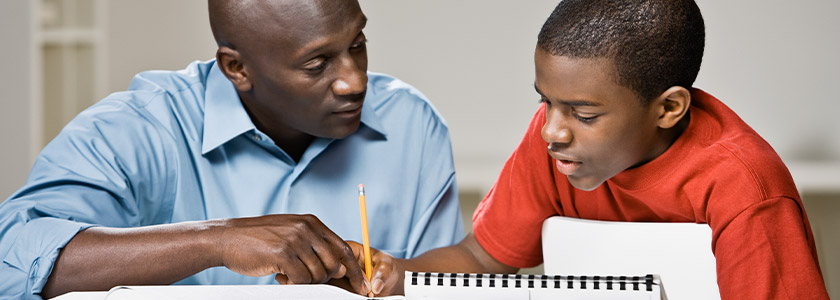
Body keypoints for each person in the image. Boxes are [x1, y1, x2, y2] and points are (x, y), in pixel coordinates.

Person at [358, 0, 830, 299]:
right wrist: (397, 273)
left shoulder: (746, 189)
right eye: (545, 102)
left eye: (584, 115)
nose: (552, 131)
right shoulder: (555, 146)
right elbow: (482, 259)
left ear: (668, 108)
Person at [0, 0, 464, 299]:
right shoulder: (138, 128)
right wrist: (216, 241)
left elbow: (446, 283)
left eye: (358, 44)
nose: (354, 81)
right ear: (237, 68)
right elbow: (11, 258)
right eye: (317, 63)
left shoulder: (410, 125)